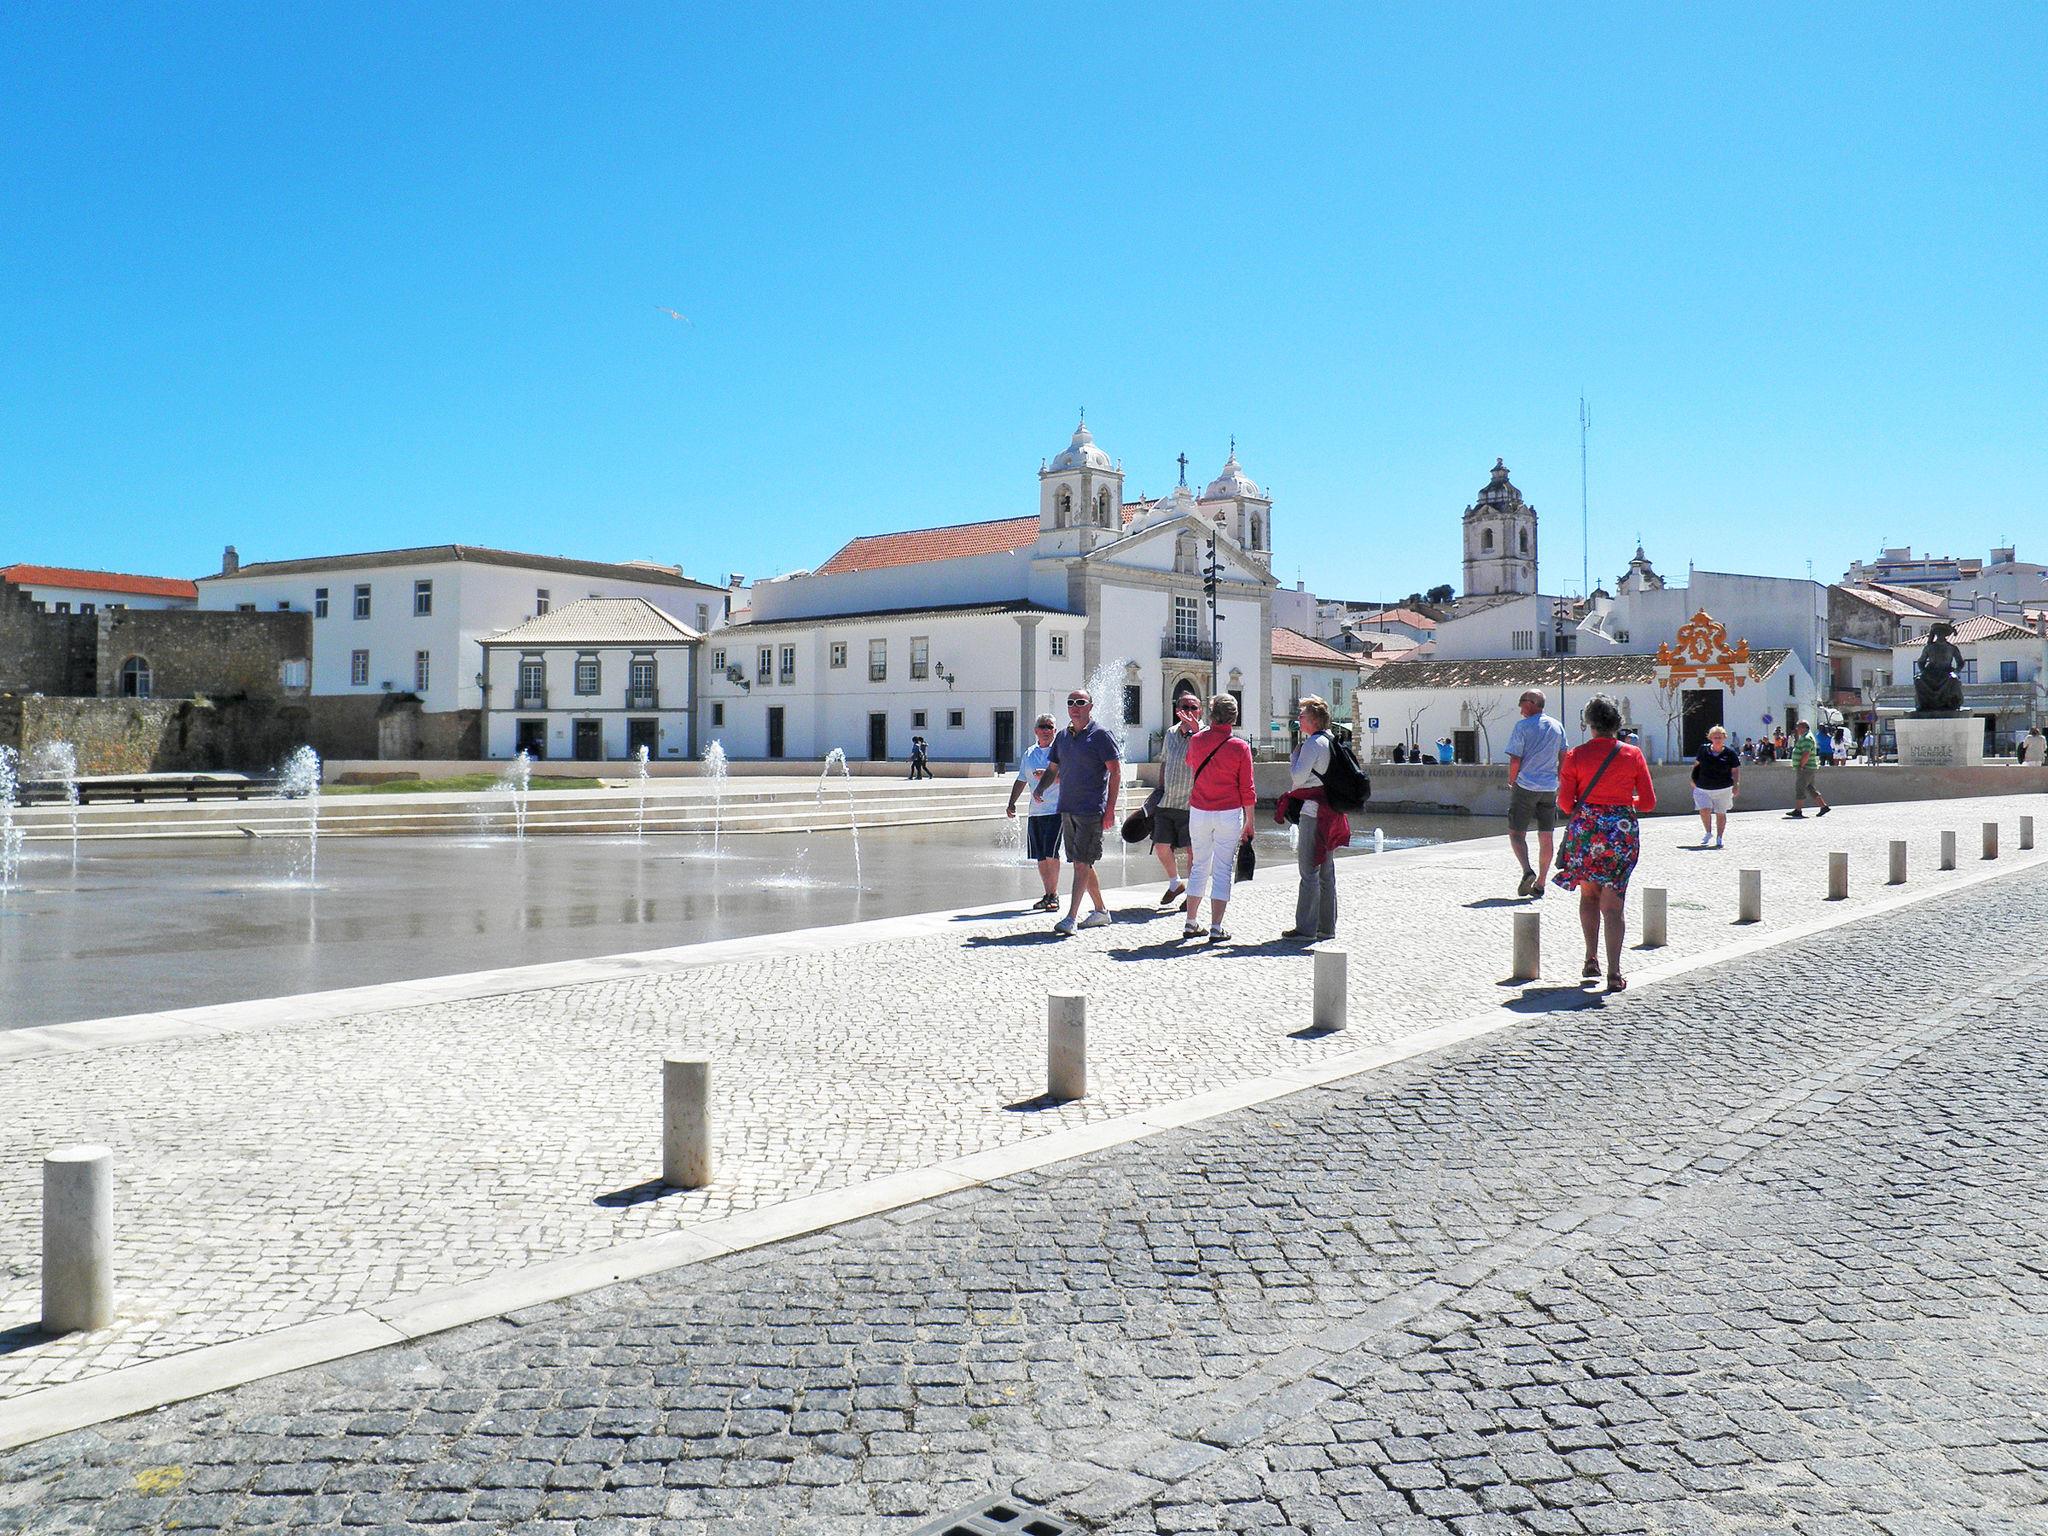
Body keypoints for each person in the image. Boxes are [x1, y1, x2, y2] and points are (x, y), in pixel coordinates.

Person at [1553, 694, 1656, 993]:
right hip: (1621, 834)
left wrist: (1592, 807)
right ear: (1617, 724)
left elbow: (1564, 803)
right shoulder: (1632, 754)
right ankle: (1614, 973)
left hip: (1586, 832)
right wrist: (1623, 802)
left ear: (1589, 724)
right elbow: (1648, 803)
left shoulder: (1575, 756)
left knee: (1588, 897)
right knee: (1613, 905)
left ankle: (1590, 959)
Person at [1039, 688, 1121, 935]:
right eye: (1071, 702)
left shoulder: (1101, 735)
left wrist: (1110, 810)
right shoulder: (1063, 737)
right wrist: (1040, 788)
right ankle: (1101, 911)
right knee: (1081, 862)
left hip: (1090, 810)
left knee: (1081, 864)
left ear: (1090, 706)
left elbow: (1115, 771)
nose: (1075, 707)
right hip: (1067, 808)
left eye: (1080, 702)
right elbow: (1053, 769)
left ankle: (1071, 918)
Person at [1183, 693, 1256, 941]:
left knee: (1199, 866)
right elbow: (1247, 788)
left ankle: (1191, 922)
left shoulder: (1197, 740)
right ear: (1234, 717)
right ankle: (1216, 927)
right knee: (1223, 869)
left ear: (1211, 714)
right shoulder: (1240, 747)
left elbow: (1190, 762)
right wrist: (1250, 821)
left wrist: (1199, 733)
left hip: (1199, 811)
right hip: (1228, 813)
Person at [1277, 695, 1348, 941]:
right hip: (1332, 812)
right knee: (1327, 871)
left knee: (1309, 870)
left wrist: (1294, 757)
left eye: (1302, 715)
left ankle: (1306, 928)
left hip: (1313, 812)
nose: (1299, 719)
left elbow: (1298, 778)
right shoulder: (1333, 741)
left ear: (1314, 720)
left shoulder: (1312, 744)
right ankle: (1327, 927)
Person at [1503, 688, 1567, 898]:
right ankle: (1540, 882)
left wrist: (1512, 780)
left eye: (1522, 701)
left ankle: (1527, 870)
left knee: (1516, 833)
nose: (1519, 706)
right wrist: (1559, 780)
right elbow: (1564, 756)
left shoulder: (1522, 727)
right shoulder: (1557, 726)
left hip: (1526, 786)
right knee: (1546, 835)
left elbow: (1515, 759)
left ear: (1531, 703)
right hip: (1549, 788)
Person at [1004, 713, 1063, 912]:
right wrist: (1011, 803)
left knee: (1051, 853)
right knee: (1040, 855)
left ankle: (1054, 895)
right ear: (1036, 730)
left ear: (1055, 731)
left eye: (1050, 727)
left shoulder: (1060, 751)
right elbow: (1021, 779)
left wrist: (1049, 776)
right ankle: (1048, 894)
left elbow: (1070, 776)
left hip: (1056, 810)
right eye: (1042, 727)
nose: (1046, 730)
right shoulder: (1029, 753)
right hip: (1035, 812)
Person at [1152, 694, 1199, 907]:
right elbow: (1164, 761)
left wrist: (1195, 731)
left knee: (1192, 852)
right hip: (1167, 800)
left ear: (1200, 710)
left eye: (1193, 707)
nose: (1189, 711)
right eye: (1184, 707)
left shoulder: (1204, 734)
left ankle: (1192, 893)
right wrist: (1160, 788)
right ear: (1177, 710)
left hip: (1192, 803)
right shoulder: (1170, 733)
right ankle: (1175, 883)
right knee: (1161, 846)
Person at [1691, 724, 1740, 847]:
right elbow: (1697, 765)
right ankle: (1708, 832)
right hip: (1703, 786)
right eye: (1715, 737)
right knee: (1704, 809)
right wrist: (1693, 778)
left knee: (1720, 812)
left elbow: (1735, 770)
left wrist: (1736, 785)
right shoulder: (1703, 750)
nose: (1717, 739)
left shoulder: (1730, 753)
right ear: (1710, 738)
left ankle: (1719, 837)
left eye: (1720, 737)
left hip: (1723, 787)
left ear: (1724, 738)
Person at [1785, 720, 1830, 818]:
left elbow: (1806, 753)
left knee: (1800, 787)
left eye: (1798, 727)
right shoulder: (1806, 737)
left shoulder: (1807, 738)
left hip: (1806, 768)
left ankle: (1798, 810)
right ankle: (1823, 806)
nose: (1797, 729)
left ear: (1804, 728)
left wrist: (1801, 766)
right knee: (1810, 787)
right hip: (1809, 767)